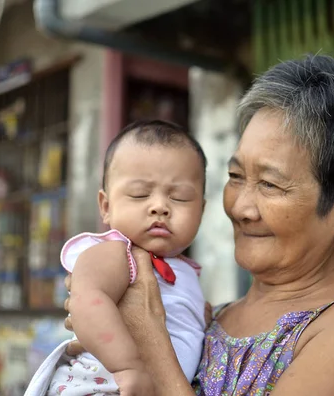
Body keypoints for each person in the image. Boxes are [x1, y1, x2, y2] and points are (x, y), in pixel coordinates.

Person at [65, 54, 334, 396]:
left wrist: (151, 342)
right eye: (236, 176)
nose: (240, 207)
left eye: (270, 184)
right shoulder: (207, 321)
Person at [25, 120, 208, 396]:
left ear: (201, 210)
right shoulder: (118, 252)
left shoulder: (185, 270)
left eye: (180, 197)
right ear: (106, 207)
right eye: (140, 194)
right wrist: (127, 368)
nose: (160, 206)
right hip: (103, 385)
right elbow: (86, 299)